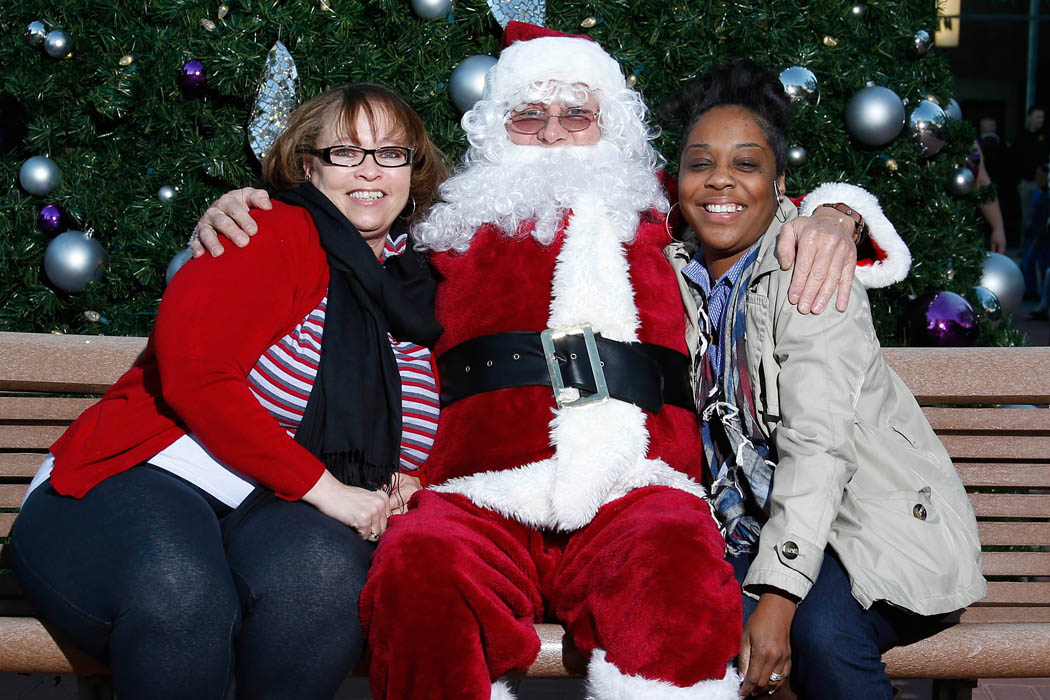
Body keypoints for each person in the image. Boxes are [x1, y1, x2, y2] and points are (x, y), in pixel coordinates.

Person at [193, 23, 906, 700]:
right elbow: (347, 219)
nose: (555, 133)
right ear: (497, 130)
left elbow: (743, 194)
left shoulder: (658, 208)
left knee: (678, 564)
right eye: (529, 118)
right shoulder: (449, 222)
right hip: (480, 491)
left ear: (612, 127)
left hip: (636, 486)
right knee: (417, 569)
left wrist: (834, 215)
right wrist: (247, 206)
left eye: (577, 114)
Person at [10, 83, 447, 699]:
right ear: (307, 165)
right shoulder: (265, 230)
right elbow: (197, 372)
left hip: (285, 511)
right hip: (150, 474)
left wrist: (415, 476)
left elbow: (470, 406)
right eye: (345, 152)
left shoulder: (426, 279)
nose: (370, 170)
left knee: (323, 582)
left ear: (413, 167)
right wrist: (328, 489)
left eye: (390, 153)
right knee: (180, 591)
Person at [663, 59, 987, 699]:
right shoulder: (672, 270)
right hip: (745, 522)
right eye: (699, 164)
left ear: (780, 184)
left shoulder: (809, 267)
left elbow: (818, 445)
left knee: (818, 632)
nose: (719, 179)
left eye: (746, 164)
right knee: (688, 617)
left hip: (870, 526)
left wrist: (779, 596)